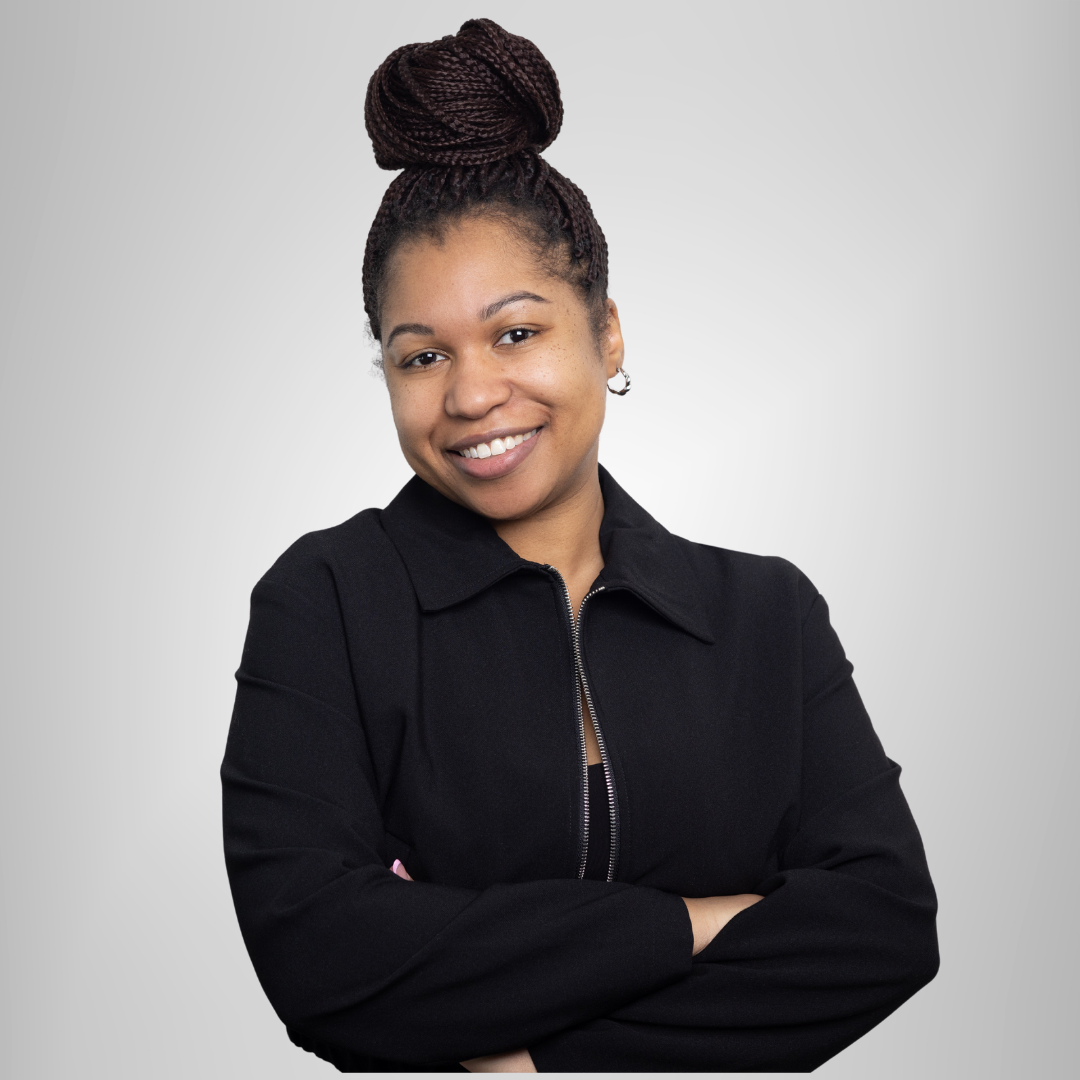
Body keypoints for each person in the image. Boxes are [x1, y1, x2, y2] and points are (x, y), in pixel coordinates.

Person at [221, 18, 938, 1073]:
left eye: (517, 333)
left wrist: (536, 1061)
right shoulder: (326, 601)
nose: (472, 395)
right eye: (421, 356)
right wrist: (697, 921)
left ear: (606, 333)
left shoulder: (766, 617)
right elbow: (320, 959)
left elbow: (883, 928)